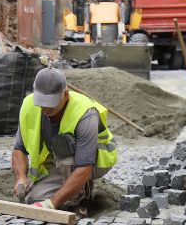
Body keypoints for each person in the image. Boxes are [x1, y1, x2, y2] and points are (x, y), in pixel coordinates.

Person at [11, 68, 117, 216]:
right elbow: (19, 148)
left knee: (63, 144)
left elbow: (84, 168)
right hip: (60, 157)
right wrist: (21, 178)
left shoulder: (85, 113)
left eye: (50, 104)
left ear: (65, 95)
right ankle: (68, 191)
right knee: (35, 198)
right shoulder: (29, 105)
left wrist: (51, 204)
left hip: (96, 158)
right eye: (41, 103)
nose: (45, 109)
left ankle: (80, 200)